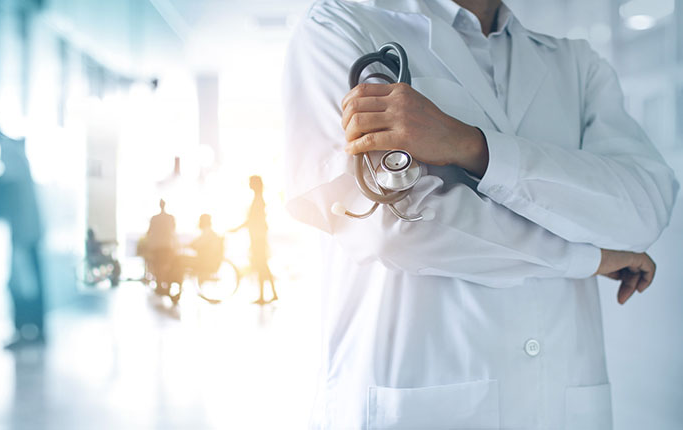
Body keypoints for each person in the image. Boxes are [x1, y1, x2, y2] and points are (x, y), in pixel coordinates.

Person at [283, 1, 678, 428]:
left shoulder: (576, 63)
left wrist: (471, 146)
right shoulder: (339, 26)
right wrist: (589, 257)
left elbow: (645, 207)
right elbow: (393, 228)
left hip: (562, 404)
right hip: (418, 401)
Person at [0, 113, 47, 349]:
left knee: (22, 282)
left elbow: (8, 182)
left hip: (23, 228)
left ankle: (25, 331)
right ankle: (35, 331)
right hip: (29, 226)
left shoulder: (7, 150)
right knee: (31, 279)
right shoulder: (13, 148)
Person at [231, 176, 278, 305]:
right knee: (263, 266)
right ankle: (271, 294)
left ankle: (264, 295)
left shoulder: (258, 200)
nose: (249, 184)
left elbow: (252, 220)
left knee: (261, 266)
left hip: (258, 239)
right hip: (258, 238)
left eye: (251, 182)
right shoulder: (258, 199)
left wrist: (236, 229)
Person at [142, 199, 178, 293]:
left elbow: (149, 232)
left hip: (157, 246)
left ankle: (159, 285)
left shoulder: (154, 218)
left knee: (157, 266)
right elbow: (173, 231)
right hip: (167, 245)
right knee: (166, 266)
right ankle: (166, 284)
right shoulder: (170, 218)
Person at [185, 214, 224, 280]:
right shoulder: (210, 233)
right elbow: (198, 241)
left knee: (180, 260)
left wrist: (190, 245)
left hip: (205, 261)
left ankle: (176, 283)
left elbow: (199, 243)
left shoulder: (207, 232)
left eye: (200, 220)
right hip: (209, 260)